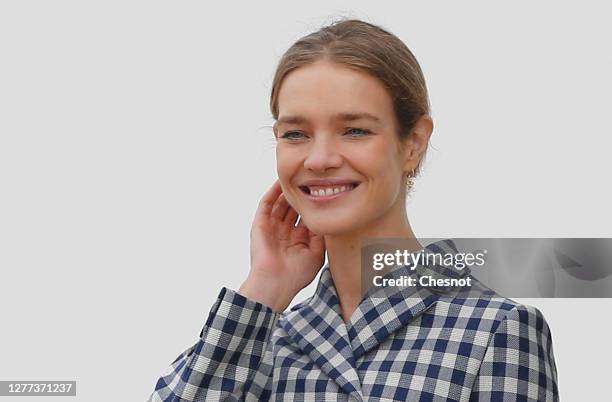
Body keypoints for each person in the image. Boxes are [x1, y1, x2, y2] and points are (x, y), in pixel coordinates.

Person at [148, 18, 559, 401]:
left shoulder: (495, 330)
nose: (319, 158)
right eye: (296, 134)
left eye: (355, 130)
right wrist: (266, 286)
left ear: (413, 142)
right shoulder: (263, 340)